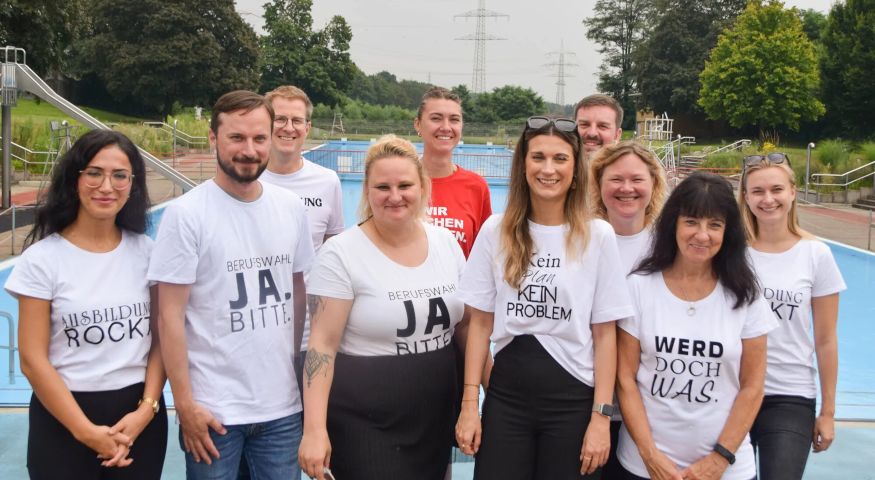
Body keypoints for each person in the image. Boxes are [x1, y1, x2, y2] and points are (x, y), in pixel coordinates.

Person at [148, 91, 315, 480]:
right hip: (213, 412)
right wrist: (184, 404)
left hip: (282, 410)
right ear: (212, 139)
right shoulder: (186, 215)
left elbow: (298, 291)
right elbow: (168, 317)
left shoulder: (290, 208)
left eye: (259, 138)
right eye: (236, 138)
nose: (249, 150)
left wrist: (290, 368)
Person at [455, 116, 634, 479]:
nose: (548, 169)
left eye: (560, 158)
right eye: (537, 157)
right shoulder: (497, 230)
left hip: (573, 404)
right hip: (507, 401)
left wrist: (601, 417)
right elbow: (480, 325)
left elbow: (605, 335)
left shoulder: (597, 235)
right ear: (523, 165)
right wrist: (470, 404)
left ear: (575, 168)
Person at [298, 135, 471, 480]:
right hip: (365, 421)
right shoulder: (341, 254)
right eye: (382, 186)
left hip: (434, 413)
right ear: (366, 190)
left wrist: (480, 397)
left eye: (405, 184)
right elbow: (322, 346)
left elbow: (465, 327)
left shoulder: (446, 243)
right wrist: (314, 429)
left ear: (422, 186)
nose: (395, 196)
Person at [6, 129, 167, 479]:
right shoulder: (42, 260)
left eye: (119, 176)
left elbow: (160, 340)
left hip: (138, 419)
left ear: (133, 184)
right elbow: (33, 360)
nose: (106, 186)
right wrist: (85, 431)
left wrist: (147, 409)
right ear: (75, 178)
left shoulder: (147, 252)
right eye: (94, 173)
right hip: (64, 419)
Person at [616, 171, 778, 480]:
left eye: (714, 225)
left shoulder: (746, 295)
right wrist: (649, 454)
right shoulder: (639, 287)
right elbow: (625, 378)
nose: (702, 235)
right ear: (673, 223)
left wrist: (720, 459)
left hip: (727, 469)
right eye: (691, 221)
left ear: (727, 231)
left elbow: (753, 386)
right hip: (643, 466)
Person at [739, 154, 845, 480]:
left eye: (776, 189)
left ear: (793, 192)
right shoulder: (729, 252)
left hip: (789, 395)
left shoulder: (816, 255)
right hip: (731, 391)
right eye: (757, 191)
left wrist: (827, 412)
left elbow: (826, 340)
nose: (768, 199)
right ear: (745, 196)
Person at [588, 141, 667, 479]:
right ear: (599, 184)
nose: (626, 189)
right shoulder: (580, 240)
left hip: (647, 411)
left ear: (653, 184)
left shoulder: (671, 247)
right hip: (586, 405)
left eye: (637, 180)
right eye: (615, 179)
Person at [262, 85, 345, 398]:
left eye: (297, 121)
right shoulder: (247, 181)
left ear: (308, 128)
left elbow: (332, 249)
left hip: (314, 333)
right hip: (260, 329)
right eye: (279, 118)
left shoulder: (327, 182)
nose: (288, 127)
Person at [414, 86, 492, 258]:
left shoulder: (477, 187)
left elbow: (484, 256)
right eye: (436, 118)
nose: (446, 127)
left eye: (454, 120)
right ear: (418, 125)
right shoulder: (400, 181)